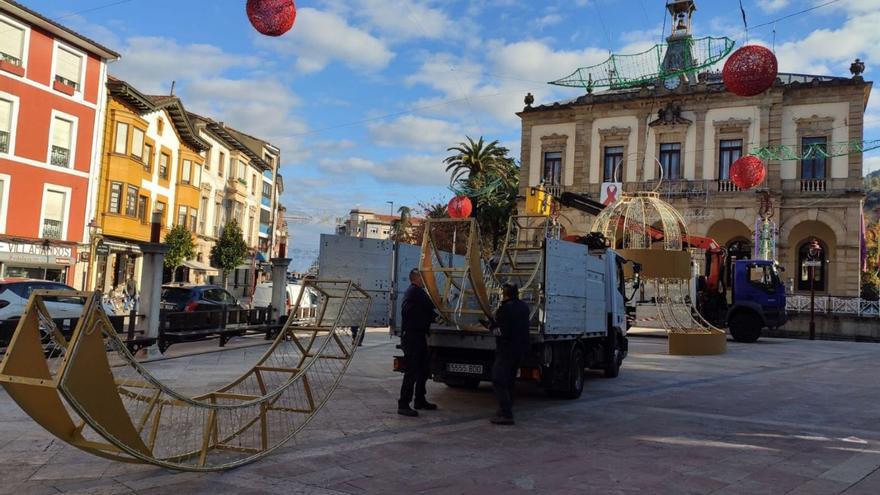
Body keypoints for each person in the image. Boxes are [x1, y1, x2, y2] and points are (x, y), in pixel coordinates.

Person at [397, 268, 438, 417]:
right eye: (423, 278)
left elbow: (428, 312)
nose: (424, 281)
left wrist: (435, 318)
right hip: (412, 337)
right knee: (412, 371)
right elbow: (434, 304)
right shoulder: (416, 291)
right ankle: (403, 404)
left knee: (423, 369)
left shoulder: (414, 293)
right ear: (416, 278)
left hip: (418, 336)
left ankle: (420, 399)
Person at [489, 283, 530, 425]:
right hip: (520, 349)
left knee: (498, 379)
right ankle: (506, 409)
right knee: (510, 379)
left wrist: (491, 326)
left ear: (505, 294)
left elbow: (501, 332)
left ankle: (506, 414)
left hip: (506, 349)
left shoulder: (504, 309)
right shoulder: (524, 307)